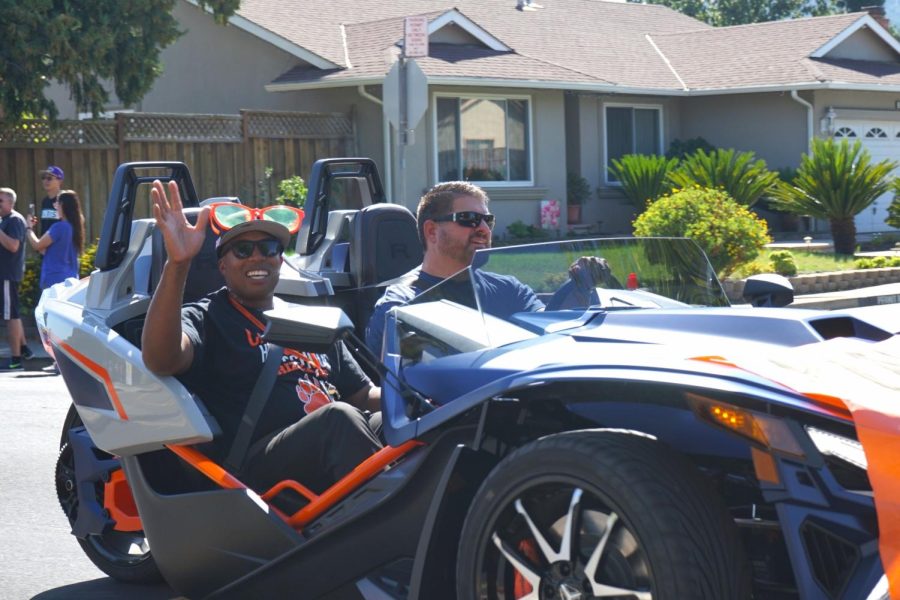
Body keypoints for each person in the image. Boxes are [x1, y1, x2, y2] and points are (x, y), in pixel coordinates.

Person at [141, 180, 382, 495]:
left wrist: (419, 398)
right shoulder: (209, 316)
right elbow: (161, 358)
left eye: (269, 249)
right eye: (242, 250)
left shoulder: (310, 318)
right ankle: (390, 521)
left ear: (280, 260)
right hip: (254, 466)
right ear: (223, 266)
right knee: (339, 418)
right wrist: (179, 263)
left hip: (334, 442)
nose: (257, 257)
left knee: (399, 420)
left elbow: (361, 395)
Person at [365, 181, 543, 354]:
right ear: (432, 231)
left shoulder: (510, 291)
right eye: (469, 219)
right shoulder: (401, 307)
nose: (484, 229)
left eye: (488, 221)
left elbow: (551, 329)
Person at [26, 190, 84, 288]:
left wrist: (28, 228)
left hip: (54, 281)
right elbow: (46, 251)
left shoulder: (59, 227)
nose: (55, 206)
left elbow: (37, 245)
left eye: (57, 203)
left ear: (63, 205)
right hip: (71, 280)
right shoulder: (76, 227)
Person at [0, 188, 29, 371]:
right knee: (12, 313)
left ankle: (16, 359)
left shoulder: (15, 220)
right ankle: (25, 349)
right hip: (5, 275)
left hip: (8, 275)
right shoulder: (5, 221)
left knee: (11, 316)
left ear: (10, 203)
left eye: (0, 201)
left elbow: (13, 246)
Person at [37, 166, 64, 236]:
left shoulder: (65, 199)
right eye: (43, 178)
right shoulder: (45, 201)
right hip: (46, 244)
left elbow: (78, 220)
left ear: (59, 181)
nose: (45, 181)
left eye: (49, 178)